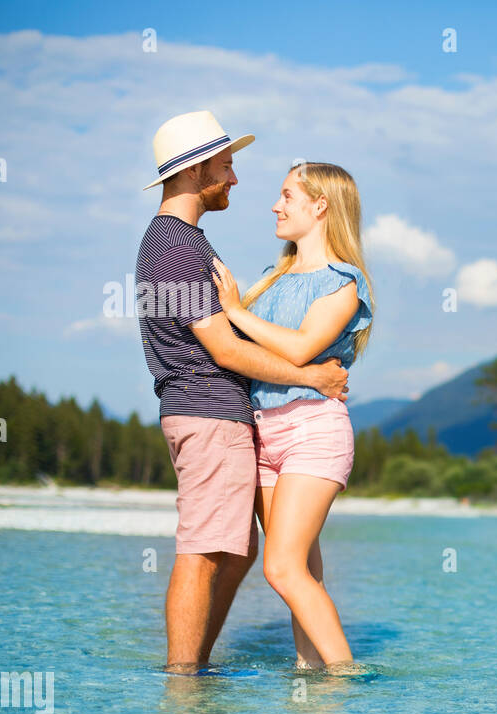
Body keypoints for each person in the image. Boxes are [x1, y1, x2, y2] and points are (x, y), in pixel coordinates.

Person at [136, 111, 350, 673]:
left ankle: (194, 672)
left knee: (237, 553)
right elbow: (226, 350)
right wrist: (313, 376)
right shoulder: (174, 245)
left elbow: (236, 333)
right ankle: (184, 680)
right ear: (197, 169)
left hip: (222, 417)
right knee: (206, 552)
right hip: (208, 415)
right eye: (226, 166)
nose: (234, 179)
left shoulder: (181, 241)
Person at [209, 162, 375, 668]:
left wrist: (236, 312)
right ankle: (310, 670)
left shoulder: (343, 284)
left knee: (281, 568)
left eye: (286, 196)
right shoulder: (270, 279)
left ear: (320, 206)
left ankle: (346, 675)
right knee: (302, 566)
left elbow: (301, 350)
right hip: (263, 433)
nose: (275, 206)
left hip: (313, 431)